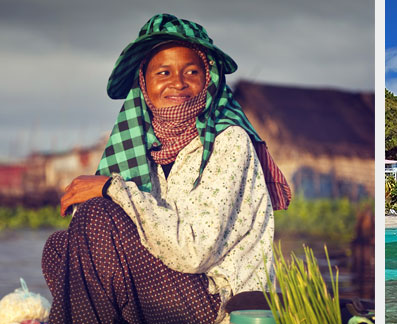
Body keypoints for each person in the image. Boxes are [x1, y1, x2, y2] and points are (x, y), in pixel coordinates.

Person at [42, 13, 292, 323]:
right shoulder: (140, 147)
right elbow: (93, 239)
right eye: (163, 72)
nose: (178, 82)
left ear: (208, 79)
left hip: (216, 301)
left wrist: (112, 188)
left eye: (191, 71)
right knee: (60, 247)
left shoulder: (229, 140)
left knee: (97, 215)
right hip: (167, 290)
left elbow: (195, 252)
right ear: (144, 83)